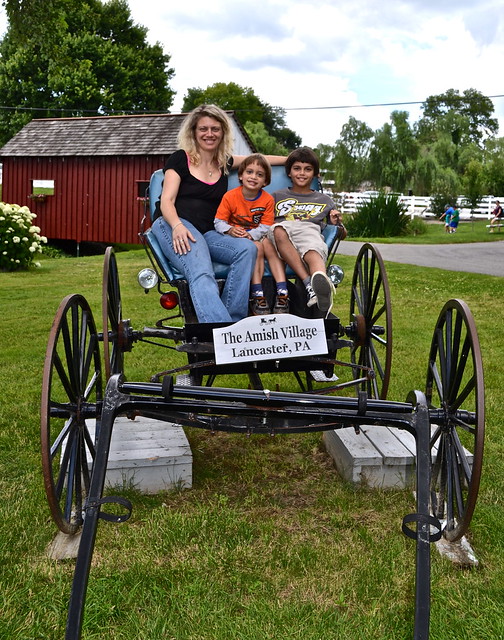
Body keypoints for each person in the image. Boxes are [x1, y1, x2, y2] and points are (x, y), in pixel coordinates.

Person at [150, 104, 285, 323]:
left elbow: (260, 159)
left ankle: (233, 320)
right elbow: (167, 200)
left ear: (223, 132)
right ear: (194, 131)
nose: (209, 134)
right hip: (173, 224)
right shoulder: (180, 158)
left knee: (247, 249)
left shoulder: (223, 162)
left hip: (208, 231)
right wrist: (177, 226)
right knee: (201, 271)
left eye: (215, 129)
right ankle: (220, 332)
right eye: (203, 129)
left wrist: (295, 160)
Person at [267, 147, 345, 318]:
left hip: (310, 229)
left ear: (316, 174)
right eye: (297, 168)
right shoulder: (276, 196)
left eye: (308, 169)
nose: (302, 173)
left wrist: (335, 222)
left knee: (313, 247)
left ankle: (320, 283)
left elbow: (342, 233)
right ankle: (309, 283)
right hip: (282, 231)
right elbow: (266, 222)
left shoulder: (324, 200)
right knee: (278, 230)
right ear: (289, 172)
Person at [214, 153, 290, 315]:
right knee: (256, 248)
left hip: (258, 234)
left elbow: (266, 225)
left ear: (265, 181)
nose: (253, 177)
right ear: (240, 176)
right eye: (249, 172)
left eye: (259, 174)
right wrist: (230, 230)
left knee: (269, 246)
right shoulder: (230, 197)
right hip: (236, 236)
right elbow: (219, 222)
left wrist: (253, 234)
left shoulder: (267, 200)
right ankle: (258, 294)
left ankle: (282, 291)